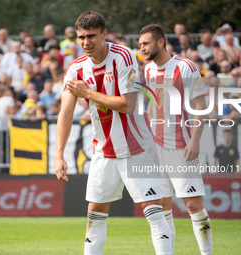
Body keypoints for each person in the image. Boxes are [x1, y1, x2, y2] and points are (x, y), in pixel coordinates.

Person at [55, 11, 173, 255]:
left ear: (104, 34)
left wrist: (87, 93)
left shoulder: (123, 56)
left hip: (136, 146)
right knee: (95, 215)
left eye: (91, 36)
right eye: (81, 37)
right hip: (104, 149)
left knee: (152, 211)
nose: (86, 42)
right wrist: (59, 155)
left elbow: (128, 105)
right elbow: (65, 114)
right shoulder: (76, 68)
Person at [139, 24, 212, 254]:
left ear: (160, 42)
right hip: (156, 148)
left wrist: (195, 141)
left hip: (181, 145)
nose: (142, 48)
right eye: (140, 44)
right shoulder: (148, 69)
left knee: (193, 204)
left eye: (146, 43)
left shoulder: (185, 66)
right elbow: (153, 102)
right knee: (162, 206)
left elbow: (201, 106)